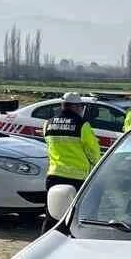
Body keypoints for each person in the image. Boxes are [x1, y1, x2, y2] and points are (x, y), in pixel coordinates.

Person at [43, 92, 102, 226]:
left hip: (54, 175)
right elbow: (93, 151)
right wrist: (96, 167)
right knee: (75, 217)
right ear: (75, 107)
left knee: (52, 215)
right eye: (80, 106)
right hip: (77, 177)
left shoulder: (48, 123)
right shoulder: (82, 125)